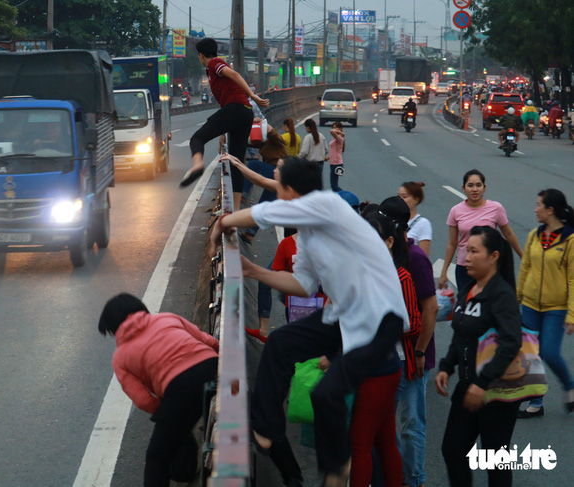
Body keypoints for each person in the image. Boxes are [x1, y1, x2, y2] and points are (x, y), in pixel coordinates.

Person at [209, 158, 410, 487]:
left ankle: (337, 467)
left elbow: (263, 214)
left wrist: (224, 222)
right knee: (279, 343)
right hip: (344, 317)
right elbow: (302, 284)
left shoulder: (326, 205)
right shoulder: (310, 234)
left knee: (326, 394)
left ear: (289, 192)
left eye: (277, 185)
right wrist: (253, 270)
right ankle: (267, 430)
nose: (273, 192)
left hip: (379, 322)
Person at [99, 293, 219, 487]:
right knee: (178, 427)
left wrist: (164, 411)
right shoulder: (167, 318)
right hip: (211, 366)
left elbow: (142, 399)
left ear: (112, 327)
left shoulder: (120, 357)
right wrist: (222, 354)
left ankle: (186, 470)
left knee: (157, 456)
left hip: (179, 388)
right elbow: (205, 339)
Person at [436, 226, 523, 487]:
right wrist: (446, 366)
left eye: (474, 251)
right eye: (466, 250)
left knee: (494, 461)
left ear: (494, 256)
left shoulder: (502, 295)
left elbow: (511, 343)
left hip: (496, 391)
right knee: (453, 451)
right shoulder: (470, 290)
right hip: (468, 386)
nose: (467, 257)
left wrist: (482, 383)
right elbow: (461, 332)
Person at [347, 210, 421, 487]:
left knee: (363, 443)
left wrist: (376, 323)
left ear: (389, 242)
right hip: (374, 363)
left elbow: (414, 324)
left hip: (387, 363)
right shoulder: (365, 273)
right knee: (383, 438)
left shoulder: (400, 277)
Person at [377, 196, 439, 487]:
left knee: (411, 424)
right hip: (395, 356)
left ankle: (414, 479)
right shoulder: (395, 254)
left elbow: (431, 307)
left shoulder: (415, 258)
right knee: (389, 425)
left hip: (415, 355)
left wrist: (421, 350)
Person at [182, 38, 270, 205]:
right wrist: (223, 132)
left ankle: (197, 165)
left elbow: (235, 75)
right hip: (244, 113)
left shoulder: (214, 63)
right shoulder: (213, 69)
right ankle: (234, 211)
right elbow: (225, 105)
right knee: (236, 163)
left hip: (235, 110)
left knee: (197, 139)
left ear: (201, 55)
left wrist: (253, 96)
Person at [516, 189, 574, 418]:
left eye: (538, 205)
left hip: (555, 308)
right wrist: (517, 298)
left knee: (549, 352)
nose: (535, 208)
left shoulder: (570, 240)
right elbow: (526, 268)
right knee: (531, 354)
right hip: (530, 304)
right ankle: (536, 402)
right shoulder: (535, 235)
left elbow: (572, 279)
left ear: (550, 210)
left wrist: (571, 315)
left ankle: (569, 385)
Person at [439, 169, 523, 292]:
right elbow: (452, 243)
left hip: (488, 266)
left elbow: (508, 233)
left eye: (478, 185)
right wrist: (444, 272)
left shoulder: (496, 208)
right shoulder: (455, 211)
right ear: (463, 188)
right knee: (467, 304)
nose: (474, 189)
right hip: (465, 266)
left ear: (484, 188)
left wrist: (522, 255)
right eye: (470, 185)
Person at [398, 182, 432, 256]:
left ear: (416, 200)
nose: (399, 200)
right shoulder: (393, 219)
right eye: (398, 196)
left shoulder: (423, 224)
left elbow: (423, 257)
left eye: (404, 197)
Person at [328, 122, 345, 192]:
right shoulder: (335, 139)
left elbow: (331, 131)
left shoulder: (340, 138)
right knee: (333, 186)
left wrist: (340, 132)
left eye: (336, 127)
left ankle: (345, 195)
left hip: (337, 163)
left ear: (340, 128)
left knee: (334, 186)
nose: (334, 129)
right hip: (333, 163)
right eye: (333, 127)